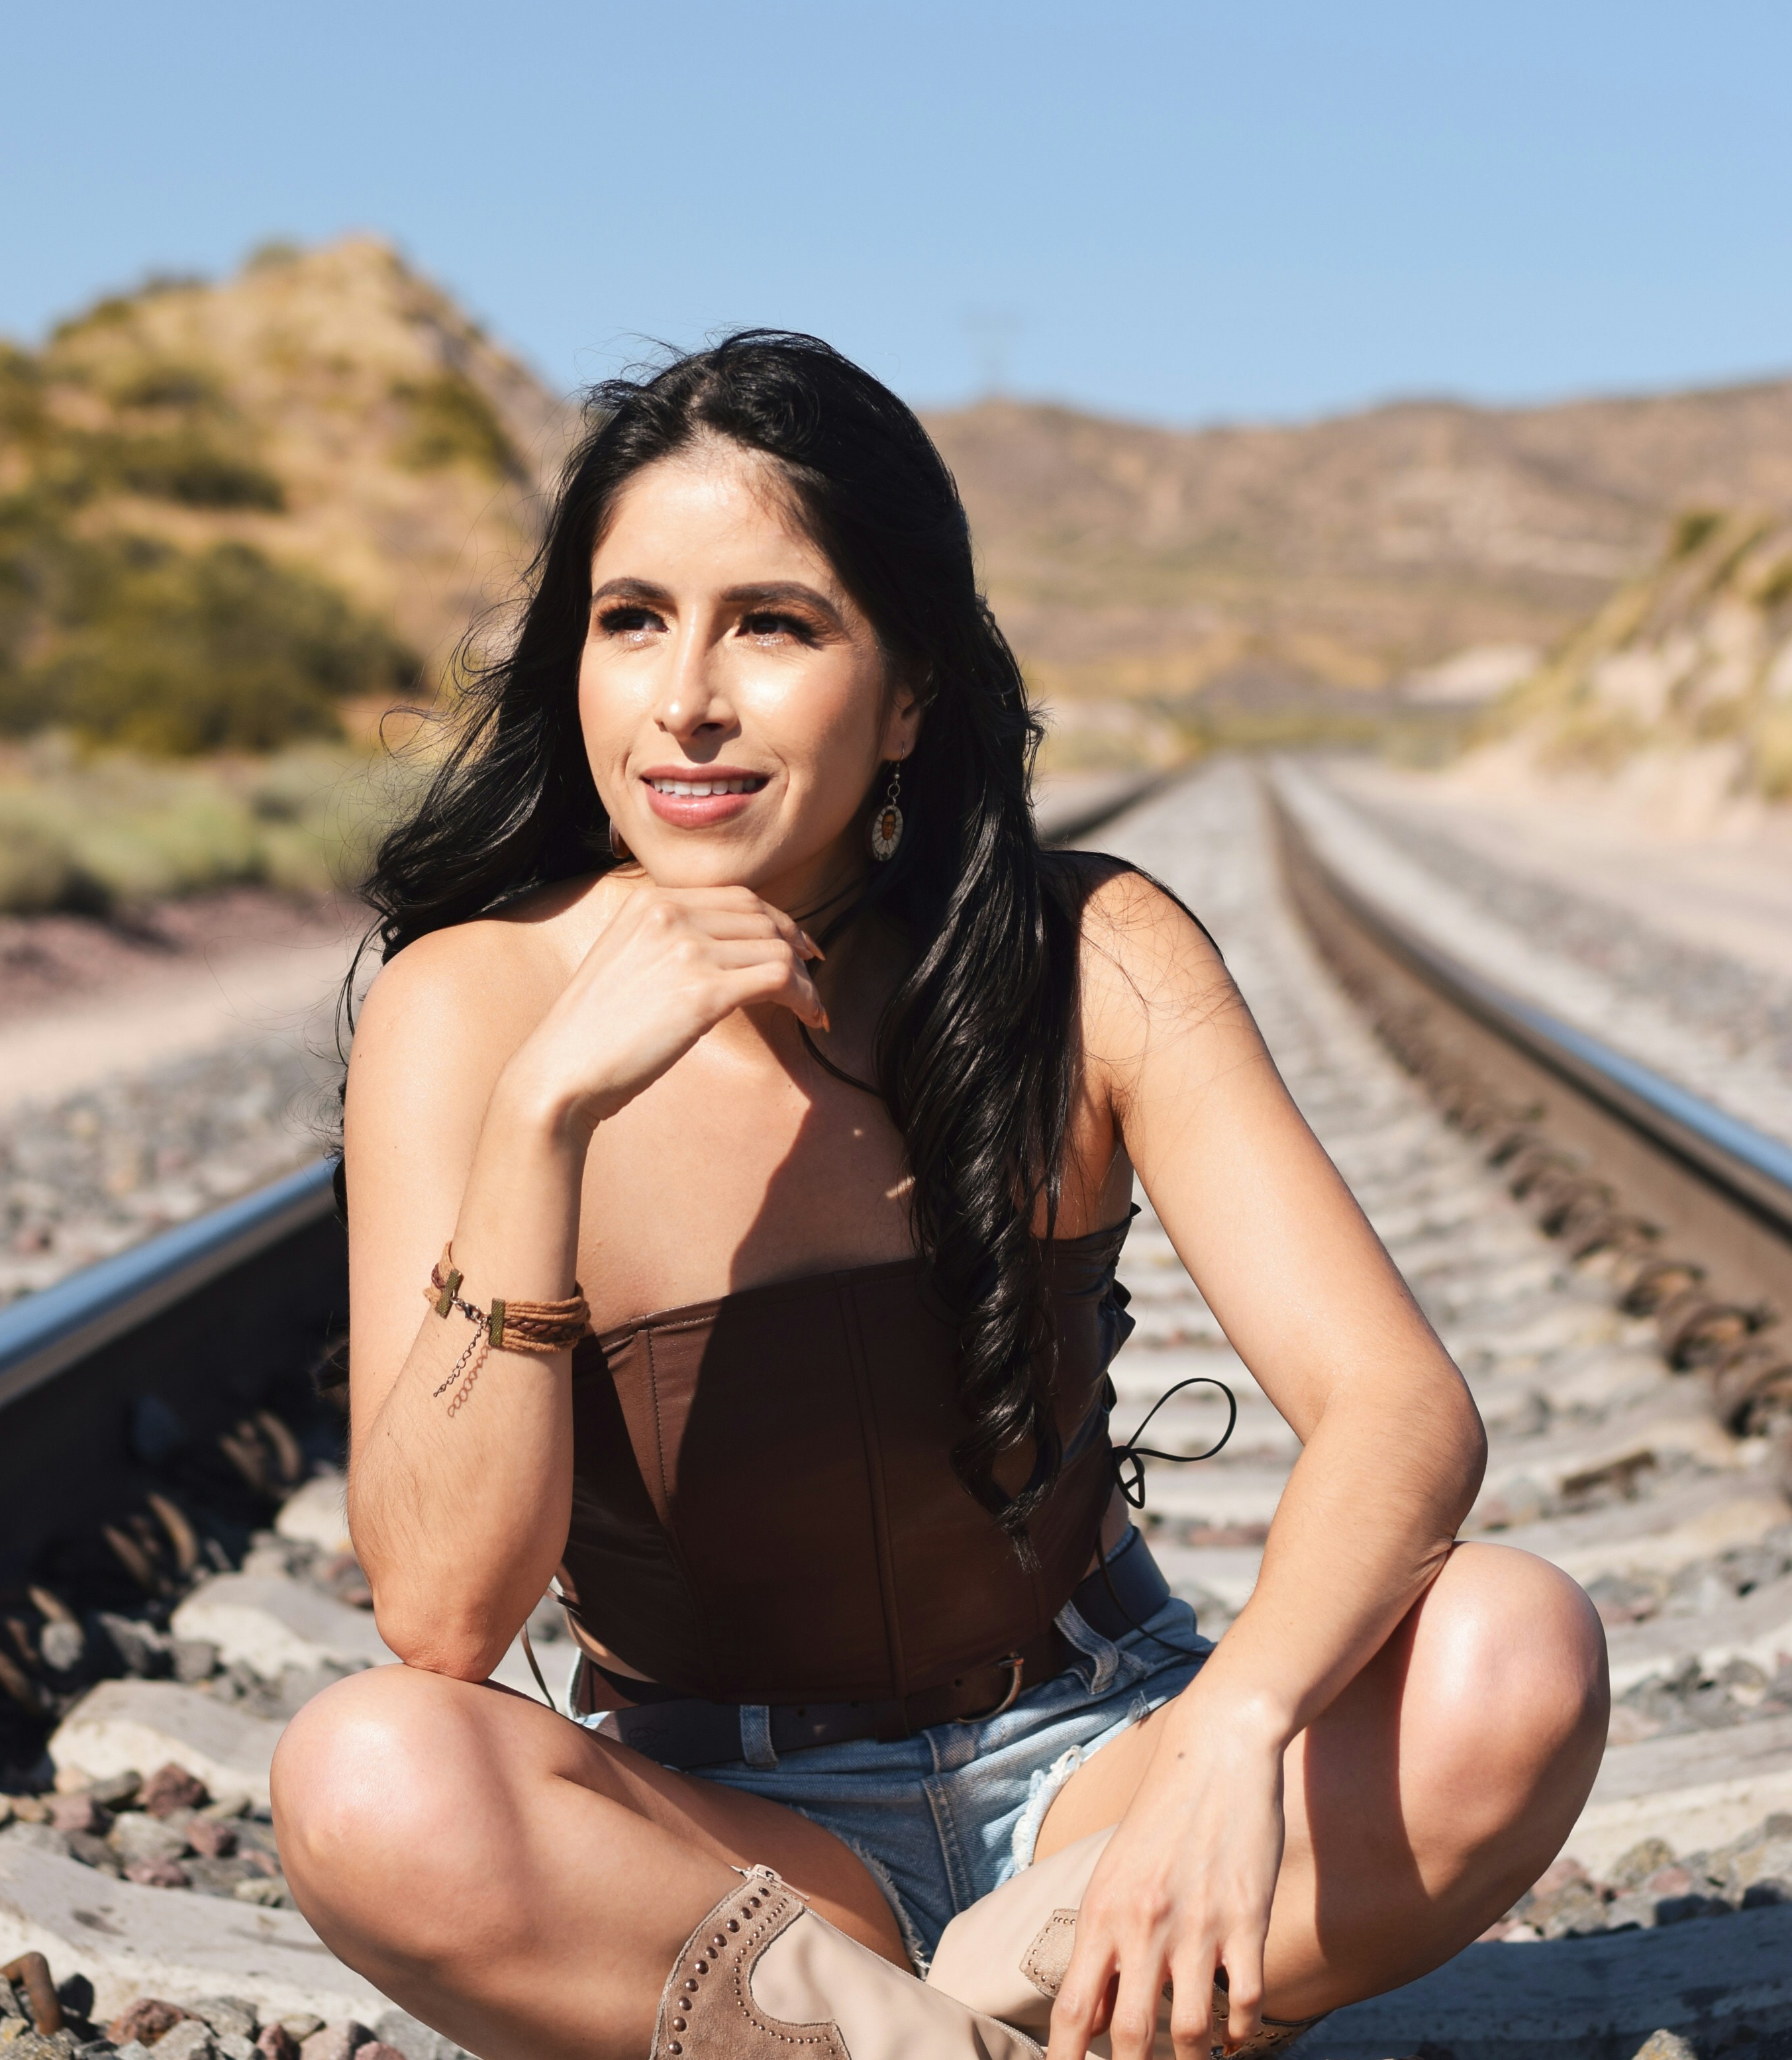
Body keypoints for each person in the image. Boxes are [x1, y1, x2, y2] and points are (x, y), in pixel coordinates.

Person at [271, 333, 1607, 2060]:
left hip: (1097, 1782)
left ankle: (953, 2013)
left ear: (907, 693)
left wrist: (1232, 1739)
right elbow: (444, 1615)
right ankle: (919, 2031)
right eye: (631, 620)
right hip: (732, 1857)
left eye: (774, 623)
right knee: (366, 1775)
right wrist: (544, 1120)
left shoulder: (1088, 955)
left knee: (1513, 1651)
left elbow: (1398, 1409)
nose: (687, 694)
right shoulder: (464, 1011)